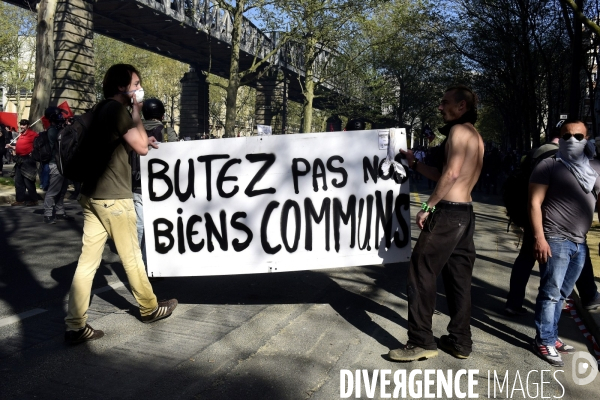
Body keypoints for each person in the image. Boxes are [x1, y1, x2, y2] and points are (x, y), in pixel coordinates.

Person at [64, 64, 178, 345]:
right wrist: (137, 110)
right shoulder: (117, 110)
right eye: (136, 83)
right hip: (114, 197)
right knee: (132, 257)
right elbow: (140, 146)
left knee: (87, 263)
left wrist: (138, 131)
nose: (139, 87)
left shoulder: (102, 109)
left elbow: (122, 143)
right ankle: (150, 308)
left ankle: (75, 324)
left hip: (92, 195)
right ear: (121, 86)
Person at [389, 85, 484, 361]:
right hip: (465, 214)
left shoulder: (457, 131)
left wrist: (427, 206)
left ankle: (421, 341)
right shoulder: (476, 137)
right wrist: (415, 165)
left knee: (420, 272)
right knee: (459, 280)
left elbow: (451, 174)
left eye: (445, 103)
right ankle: (460, 341)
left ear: (461, 106)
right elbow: (446, 173)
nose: (440, 108)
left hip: (449, 213)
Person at [505, 126, 600, 315]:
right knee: (573, 260)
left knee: (525, 259)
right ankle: (585, 297)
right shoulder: (559, 157)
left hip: (533, 216)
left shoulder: (537, 153)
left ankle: (513, 303)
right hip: (554, 221)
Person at [530, 119, 600, 367]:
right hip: (555, 239)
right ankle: (544, 340)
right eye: (567, 136)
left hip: (580, 243)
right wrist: (540, 237)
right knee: (550, 293)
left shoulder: (594, 168)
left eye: (579, 136)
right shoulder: (548, 165)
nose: (573, 140)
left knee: (561, 294)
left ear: (587, 138)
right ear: (560, 137)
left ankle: (550, 335)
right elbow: (534, 203)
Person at [133, 98, 175, 266]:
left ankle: (141, 263)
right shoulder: (167, 131)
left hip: (138, 185)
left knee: (141, 225)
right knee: (162, 223)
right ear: (162, 115)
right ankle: (158, 261)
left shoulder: (134, 130)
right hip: (162, 187)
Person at [42, 106, 74, 224]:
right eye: (59, 115)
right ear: (53, 117)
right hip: (56, 164)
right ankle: (48, 214)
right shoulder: (53, 130)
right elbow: (63, 141)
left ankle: (60, 212)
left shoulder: (58, 128)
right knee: (53, 191)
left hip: (63, 164)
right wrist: (69, 127)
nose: (62, 117)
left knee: (62, 190)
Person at [5, 119, 39, 206]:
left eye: (24, 125)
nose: (22, 126)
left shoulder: (33, 134)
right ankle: (20, 200)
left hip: (28, 160)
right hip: (19, 159)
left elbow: (39, 144)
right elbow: (20, 147)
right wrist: (11, 147)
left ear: (28, 125)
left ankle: (34, 200)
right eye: (21, 125)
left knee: (28, 180)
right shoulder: (20, 134)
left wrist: (34, 151)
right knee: (18, 181)